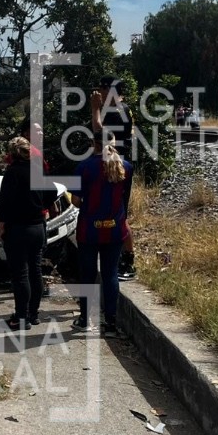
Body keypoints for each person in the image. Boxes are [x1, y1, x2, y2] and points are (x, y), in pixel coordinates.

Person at [69, 135, 132, 337]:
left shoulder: (84, 167)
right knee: (110, 274)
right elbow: (125, 199)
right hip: (115, 229)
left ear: (93, 144)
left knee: (87, 275)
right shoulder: (126, 167)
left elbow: (76, 202)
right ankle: (111, 324)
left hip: (89, 229)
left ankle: (85, 319)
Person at [0, 136, 55, 330]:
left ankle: (21, 317)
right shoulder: (38, 170)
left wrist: (0, 226)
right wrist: (40, 205)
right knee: (35, 271)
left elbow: (3, 204)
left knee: (20, 274)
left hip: (18, 229)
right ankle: (33, 313)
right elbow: (52, 193)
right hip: (37, 227)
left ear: (12, 154)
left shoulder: (12, 173)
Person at [90, 76, 137, 280]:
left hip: (117, 167)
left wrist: (95, 109)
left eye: (101, 88)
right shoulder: (117, 109)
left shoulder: (117, 111)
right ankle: (120, 257)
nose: (98, 93)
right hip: (114, 165)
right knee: (115, 212)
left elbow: (101, 135)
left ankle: (128, 260)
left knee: (120, 214)